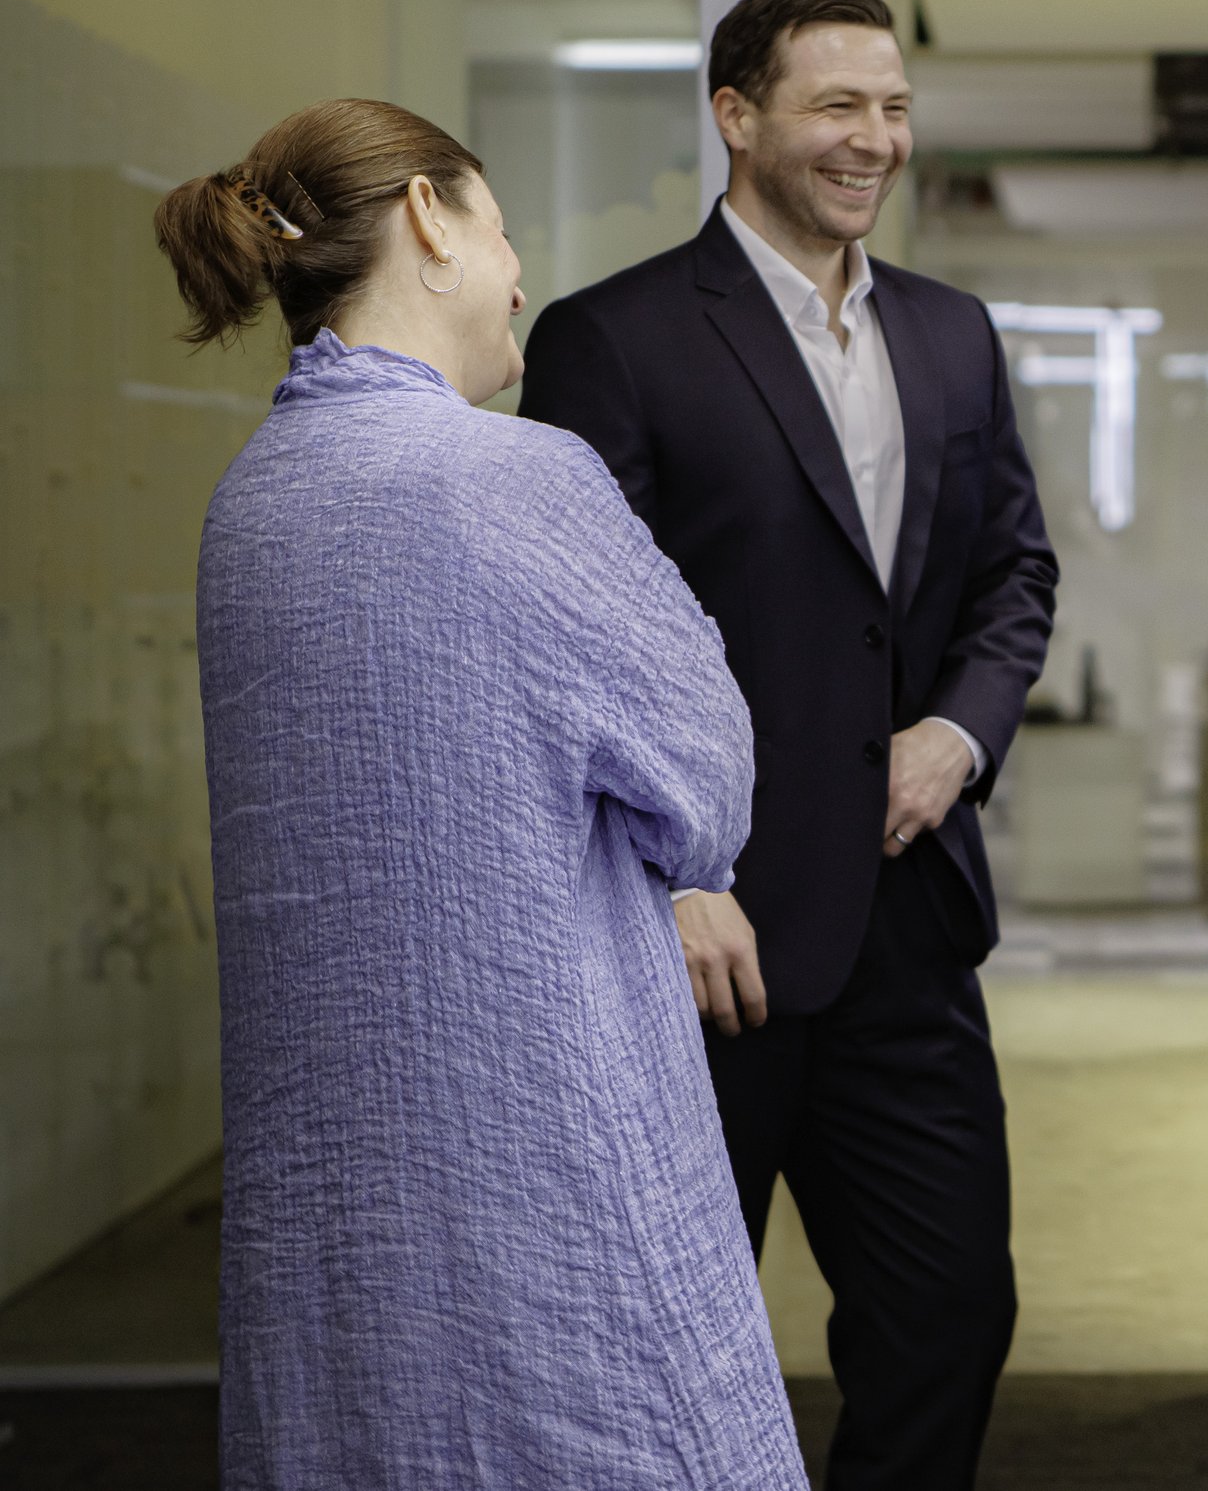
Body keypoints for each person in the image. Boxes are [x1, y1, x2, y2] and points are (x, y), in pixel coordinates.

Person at [167, 99, 805, 1489]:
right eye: (503, 231)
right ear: (427, 220)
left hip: (334, 1180)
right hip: (541, 1138)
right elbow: (704, 785)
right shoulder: (515, 477)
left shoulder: (250, 502)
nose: (520, 277)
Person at [519, 0, 1055, 1491]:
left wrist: (957, 731)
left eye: (893, 106)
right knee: (667, 1347)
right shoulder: (612, 339)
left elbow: (1013, 574)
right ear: (737, 116)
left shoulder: (951, 335)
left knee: (949, 1316)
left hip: (907, 924)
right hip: (705, 944)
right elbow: (579, 636)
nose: (873, 138)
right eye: (836, 105)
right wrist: (674, 873)